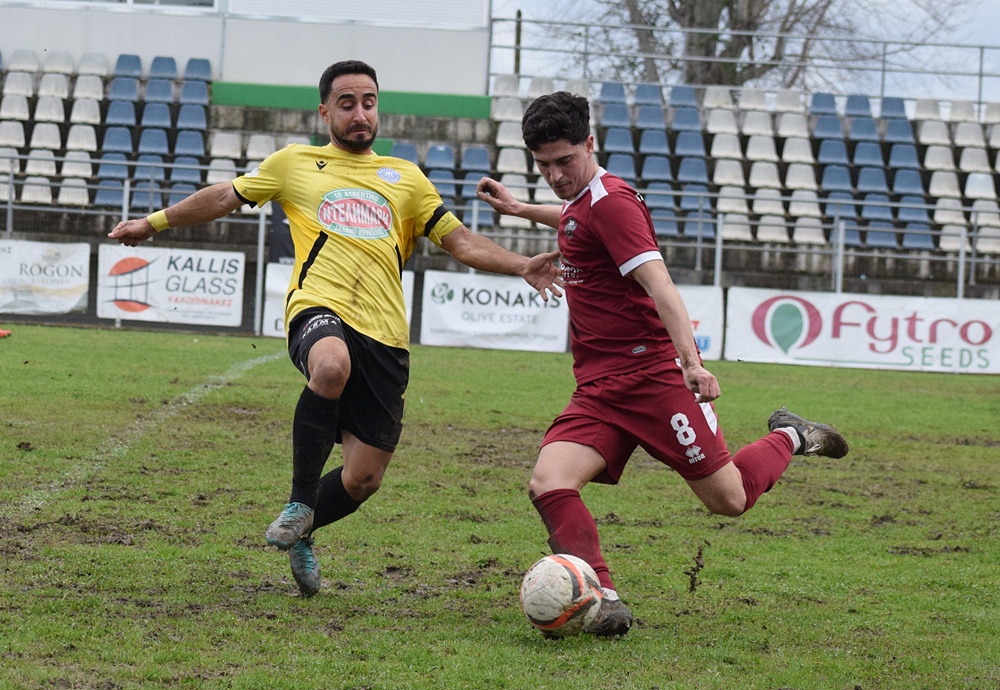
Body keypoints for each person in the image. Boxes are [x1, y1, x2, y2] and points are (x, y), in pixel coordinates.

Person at [109, 60, 562, 597]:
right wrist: (153, 223)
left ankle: (305, 529)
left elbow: (460, 241)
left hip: (386, 336)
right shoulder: (294, 163)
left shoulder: (406, 178)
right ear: (325, 112)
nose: (360, 113)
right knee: (330, 365)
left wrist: (521, 264)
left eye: (368, 102)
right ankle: (300, 501)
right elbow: (224, 197)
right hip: (318, 306)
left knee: (363, 479)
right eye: (347, 103)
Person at [476, 91, 848, 637]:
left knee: (730, 499)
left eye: (564, 161)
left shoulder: (613, 203)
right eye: (543, 165)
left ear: (590, 144)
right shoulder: (584, 202)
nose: (555, 176)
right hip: (599, 388)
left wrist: (691, 365)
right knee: (549, 483)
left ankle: (792, 435)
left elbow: (661, 285)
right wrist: (520, 209)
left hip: (652, 380)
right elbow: (574, 219)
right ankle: (602, 599)